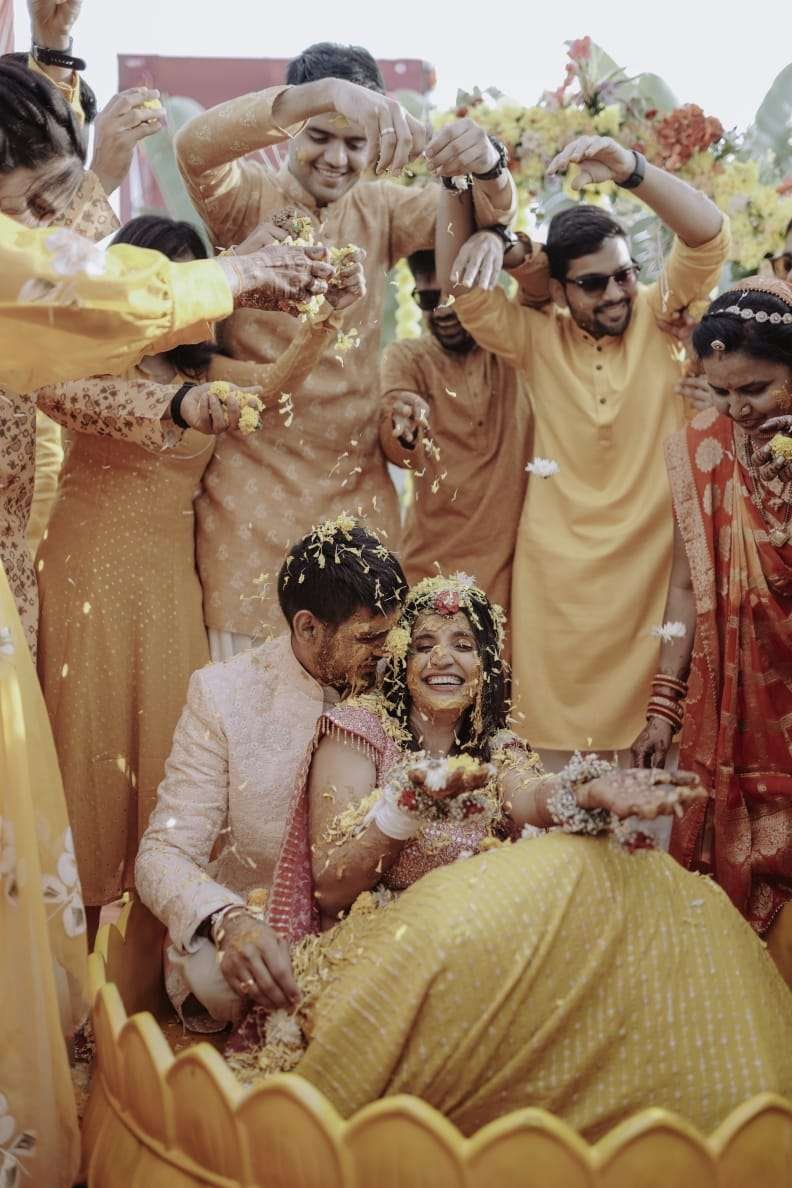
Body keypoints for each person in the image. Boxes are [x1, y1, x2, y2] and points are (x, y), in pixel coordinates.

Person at [217, 573, 792, 1143]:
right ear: (400, 661)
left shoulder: (497, 747)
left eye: (464, 644)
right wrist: (405, 809)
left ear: (486, 665)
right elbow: (329, 885)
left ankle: (721, 1109)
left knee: (633, 872)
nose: (443, 658)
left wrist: (584, 793)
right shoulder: (360, 731)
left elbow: (530, 796)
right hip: (392, 944)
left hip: (483, 943)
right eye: (424, 643)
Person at [34, 216, 364, 944]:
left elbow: (273, 389)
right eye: (171, 280)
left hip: (169, 587)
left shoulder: (206, 375)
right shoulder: (90, 358)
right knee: (83, 749)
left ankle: (154, 959)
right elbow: (69, 397)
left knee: (167, 757)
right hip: (83, 577)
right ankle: (67, 955)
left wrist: (324, 319)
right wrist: (175, 407)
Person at [174, 41, 517, 654]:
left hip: (357, 491)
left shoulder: (380, 207)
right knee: (251, 692)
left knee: (364, 683)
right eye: (319, 136)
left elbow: (472, 211)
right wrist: (330, 94)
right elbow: (194, 145)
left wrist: (494, 198)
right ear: (291, 129)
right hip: (247, 495)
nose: (336, 159)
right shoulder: (242, 198)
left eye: (355, 142)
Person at [446, 133, 730, 769]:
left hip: (656, 579)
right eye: (593, 283)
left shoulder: (663, 316)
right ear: (559, 291)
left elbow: (709, 236)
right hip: (557, 585)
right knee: (555, 768)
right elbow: (466, 293)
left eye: (624, 274)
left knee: (652, 771)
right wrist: (492, 239)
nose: (616, 293)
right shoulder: (536, 340)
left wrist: (632, 170)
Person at [135, 518, 407, 1029]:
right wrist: (231, 921)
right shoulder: (224, 695)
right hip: (266, 919)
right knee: (223, 977)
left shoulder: (407, 675)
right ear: (307, 628)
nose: (388, 652)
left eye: (394, 633)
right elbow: (163, 853)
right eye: (370, 638)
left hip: (389, 917)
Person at [631, 276, 792, 936]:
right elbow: (683, 586)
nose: (738, 409)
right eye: (722, 392)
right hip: (735, 707)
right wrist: (663, 706)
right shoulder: (702, 449)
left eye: (755, 388)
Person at [379, 249, 531, 630]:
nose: (442, 310)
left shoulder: (511, 348)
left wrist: (497, 242)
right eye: (429, 298)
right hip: (432, 568)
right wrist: (403, 425)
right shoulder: (408, 358)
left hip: (514, 570)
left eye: (452, 295)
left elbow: (538, 282)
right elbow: (395, 438)